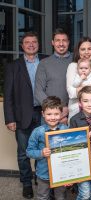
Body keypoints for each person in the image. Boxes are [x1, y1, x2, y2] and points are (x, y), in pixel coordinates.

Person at [3, 31, 47, 199]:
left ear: (38, 44)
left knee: (43, 149)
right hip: (22, 116)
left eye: (34, 42)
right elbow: (8, 96)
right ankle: (27, 183)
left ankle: (40, 178)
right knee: (24, 153)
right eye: (27, 42)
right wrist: (10, 118)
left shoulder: (46, 61)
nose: (31, 45)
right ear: (22, 46)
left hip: (44, 113)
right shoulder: (14, 66)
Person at [26, 96, 68, 200]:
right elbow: (29, 152)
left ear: (61, 114)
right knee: (43, 196)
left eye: (56, 114)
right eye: (49, 114)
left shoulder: (65, 129)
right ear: (43, 114)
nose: (53, 117)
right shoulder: (37, 132)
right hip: (44, 173)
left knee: (60, 196)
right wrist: (41, 153)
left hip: (61, 173)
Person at [35, 28, 72, 125]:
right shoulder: (44, 63)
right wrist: (56, 111)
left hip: (74, 114)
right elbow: (38, 91)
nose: (61, 44)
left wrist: (68, 109)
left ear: (68, 42)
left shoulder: (76, 61)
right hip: (50, 117)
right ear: (52, 42)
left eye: (64, 40)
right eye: (57, 40)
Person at [66, 37, 91, 120]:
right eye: (83, 49)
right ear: (78, 52)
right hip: (77, 114)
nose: (86, 52)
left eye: (89, 49)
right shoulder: (73, 66)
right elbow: (71, 93)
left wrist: (81, 87)